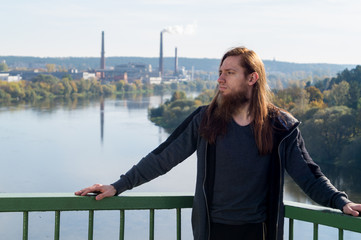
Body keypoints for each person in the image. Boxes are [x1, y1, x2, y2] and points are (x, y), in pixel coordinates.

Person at [75, 47, 361, 240]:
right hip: (212, 231)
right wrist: (118, 186)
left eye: (229, 73)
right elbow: (162, 157)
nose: (220, 79)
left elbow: (308, 175)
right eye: (220, 72)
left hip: (259, 232)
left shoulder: (280, 126)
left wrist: (340, 201)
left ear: (252, 78)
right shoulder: (205, 119)